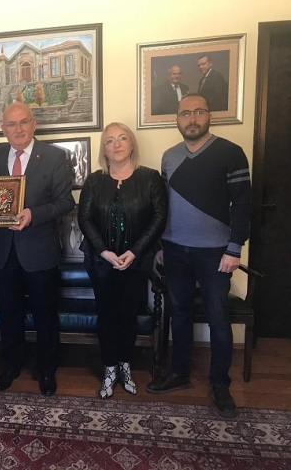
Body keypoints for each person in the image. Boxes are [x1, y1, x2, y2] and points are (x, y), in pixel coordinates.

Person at [146, 94, 251, 419]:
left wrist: (234, 248)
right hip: (174, 249)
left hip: (216, 253)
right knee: (179, 314)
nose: (191, 118)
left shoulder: (231, 152)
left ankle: (220, 384)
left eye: (198, 112)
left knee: (218, 319)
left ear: (209, 115)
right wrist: (161, 245)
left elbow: (243, 204)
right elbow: (164, 206)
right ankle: (180, 373)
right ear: (177, 119)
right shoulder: (169, 157)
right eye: (185, 113)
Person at [0, 102, 75, 396]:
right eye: (11, 124)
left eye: (24, 122)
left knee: (44, 313)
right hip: (4, 249)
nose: (18, 129)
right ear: (3, 129)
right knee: (8, 312)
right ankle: (11, 365)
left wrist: (33, 214)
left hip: (39, 249)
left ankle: (46, 369)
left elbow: (66, 202)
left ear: (33, 124)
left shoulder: (53, 156)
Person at [78, 122, 167, 399]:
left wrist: (135, 251)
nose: (116, 144)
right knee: (106, 314)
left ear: (132, 145)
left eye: (122, 138)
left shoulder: (150, 178)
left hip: (136, 261)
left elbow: (159, 217)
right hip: (100, 261)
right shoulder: (94, 180)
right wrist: (104, 251)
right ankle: (109, 368)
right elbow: (85, 218)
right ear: (104, 149)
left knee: (128, 314)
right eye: (109, 140)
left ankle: (125, 365)